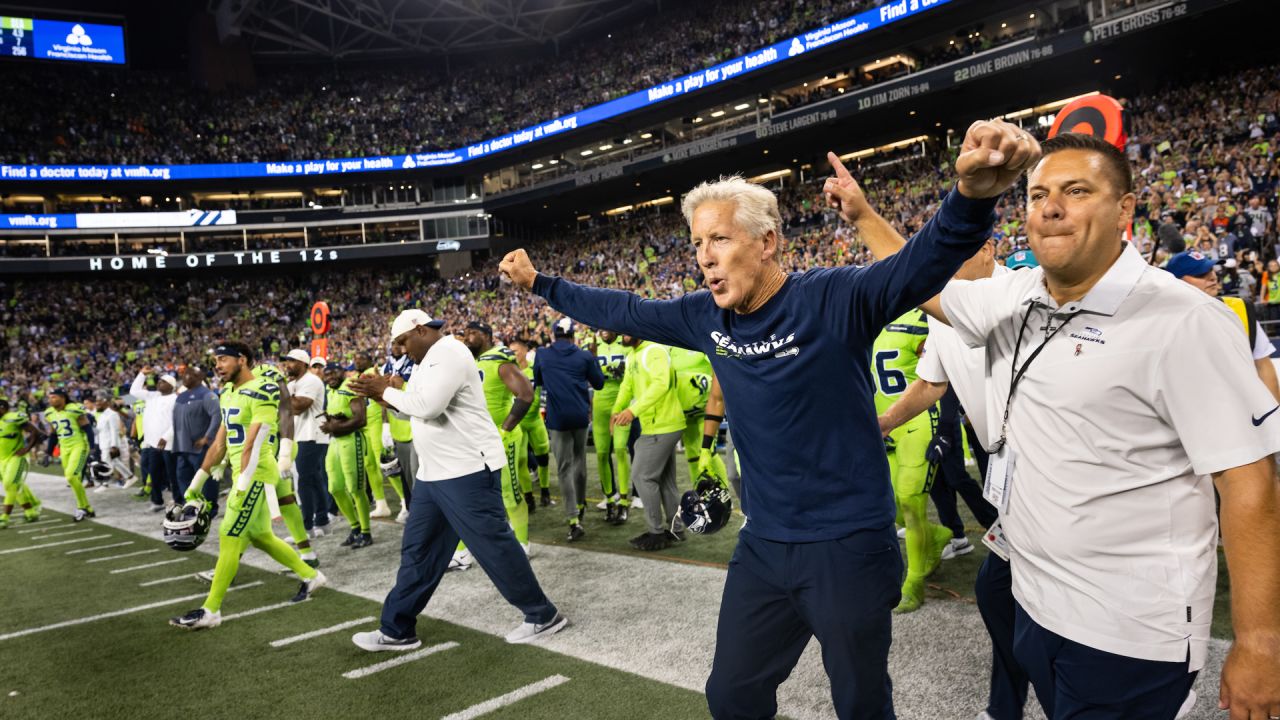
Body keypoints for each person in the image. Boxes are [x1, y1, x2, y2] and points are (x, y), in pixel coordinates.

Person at [500, 119, 1038, 719]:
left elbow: (919, 263)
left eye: (720, 239)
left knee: (860, 702)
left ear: (768, 242)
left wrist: (973, 197)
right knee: (732, 695)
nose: (705, 257)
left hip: (847, 543)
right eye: (698, 243)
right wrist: (541, 284)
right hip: (763, 544)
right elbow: (625, 307)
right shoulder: (704, 316)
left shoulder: (833, 298)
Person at [930, 133, 1280, 719]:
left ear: (1125, 209)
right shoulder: (1019, 293)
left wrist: (1261, 644)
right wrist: (926, 204)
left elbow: (1249, 486)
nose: (1051, 207)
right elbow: (922, 286)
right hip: (1036, 603)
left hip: (1129, 634)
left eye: (1076, 190)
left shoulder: (1184, 319)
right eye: (1038, 193)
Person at [348, 310, 567, 652]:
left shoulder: (449, 352)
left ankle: (542, 614)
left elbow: (430, 406)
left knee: (493, 545)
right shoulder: (428, 360)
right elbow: (414, 410)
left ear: (420, 330)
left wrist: (387, 392)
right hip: (436, 473)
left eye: (403, 341)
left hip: (466, 469)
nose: (403, 350)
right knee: (418, 551)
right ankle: (397, 628)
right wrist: (383, 395)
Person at [170, 341, 326, 630]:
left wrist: (242, 483)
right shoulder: (228, 391)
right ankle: (311, 575)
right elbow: (219, 442)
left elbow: (253, 444)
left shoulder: (263, 389)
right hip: (243, 471)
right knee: (260, 535)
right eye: (215, 360)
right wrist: (197, 482)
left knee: (229, 534)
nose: (217, 365)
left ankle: (211, 610)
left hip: (255, 473)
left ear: (242, 360)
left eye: (223, 359)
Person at [870, 309, 954, 614]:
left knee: (910, 500)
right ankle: (935, 535)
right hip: (881, 422)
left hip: (918, 420)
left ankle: (914, 582)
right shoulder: (874, 311)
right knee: (889, 505)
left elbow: (942, 375)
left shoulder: (927, 316)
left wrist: (946, 426)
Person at [459, 321, 534, 558]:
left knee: (509, 491)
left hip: (501, 438)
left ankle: (523, 543)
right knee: (469, 494)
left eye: (473, 333)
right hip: (474, 439)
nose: (467, 337)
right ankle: (465, 548)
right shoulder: (470, 362)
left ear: (487, 336)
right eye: (465, 333)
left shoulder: (497, 358)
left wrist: (504, 429)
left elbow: (526, 394)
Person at [1165, 249, 1280, 401]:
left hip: (1245, 411)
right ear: (1176, 282)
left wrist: (1275, 416)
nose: (1212, 277)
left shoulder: (1240, 309)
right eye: (1200, 274)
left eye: (1211, 270)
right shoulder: (1164, 323)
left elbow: (1263, 365)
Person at [610, 333, 685, 550]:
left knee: (642, 476)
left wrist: (632, 411)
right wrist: (616, 410)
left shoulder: (654, 351)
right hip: (661, 424)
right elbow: (627, 385)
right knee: (665, 481)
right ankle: (675, 529)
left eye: (626, 329)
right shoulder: (634, 354)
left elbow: (661, 384)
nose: (622, 334)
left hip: (662, 425)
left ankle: (656, 532)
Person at [534, 317, 605, 541]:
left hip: (557, 418)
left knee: (564, 468)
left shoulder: (542, 354)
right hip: (579, 415)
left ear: (554, 335)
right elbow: (600, 383)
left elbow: (538, 380)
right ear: (573, 335)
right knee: (579, 463)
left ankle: (573, 518)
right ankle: (581, 504)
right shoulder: (583, 355)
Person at [253, 360, 317, 566]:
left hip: (271, 446)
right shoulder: (236, 383)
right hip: (267, 445)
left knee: (245, 508)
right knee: (286, 501)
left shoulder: (264, 373)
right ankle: (307, 555)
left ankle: (229, 566)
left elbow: (286, 409)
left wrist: (285, 451)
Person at [321, 363, 373, 549]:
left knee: (355, 488)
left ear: (342, 372)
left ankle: (366, 532)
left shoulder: (350, 386)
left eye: (333, 373)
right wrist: (330, 420)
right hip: (335, 442)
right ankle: (355, 527)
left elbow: (360, 419)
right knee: (335, 487)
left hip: (352, 440)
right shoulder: (329, 390)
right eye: (326, 374)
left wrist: (335, 426)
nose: (330, 377)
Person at [282, 349, 332, 534]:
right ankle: (322, 520)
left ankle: (306, 526)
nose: (288, 365)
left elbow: (298, 406)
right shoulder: (293, 383)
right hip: (301, 434)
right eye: (286, 361)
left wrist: (282, 391)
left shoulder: (311, 380)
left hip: (313, 434)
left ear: (304, 364)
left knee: (304, 479)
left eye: (292, 361)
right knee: (313, 478)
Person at [588, 329, 632, 521]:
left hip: (621, 401)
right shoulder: (591, 345)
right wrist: (591, 359)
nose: (603, 330)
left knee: (621, 449)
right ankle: (609, 499)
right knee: (601, 453)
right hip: (599, 404)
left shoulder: (625, 344)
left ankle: (623, 501)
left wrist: (624, 371)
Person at [507, 338, 552, 513]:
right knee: (521, 460)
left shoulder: (535, 367)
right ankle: (528, 496)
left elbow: (544, 389)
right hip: (518, 422)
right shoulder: (507, 370)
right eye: (510, 352)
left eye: (516, 351)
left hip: (534, 420)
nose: (513, 355)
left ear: (525, 350)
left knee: (543, 458)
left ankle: (545, 490)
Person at [171, 365, 222, 514]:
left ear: (199, 378)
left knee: (206, 479)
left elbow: (217, 415)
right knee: (183, 478)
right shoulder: (181, 396)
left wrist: (207, 437)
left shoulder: (207, 394)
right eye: (184, 375)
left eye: (190, 375)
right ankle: (192, 506)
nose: (185, 377)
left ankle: (210, 509)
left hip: (201, 447)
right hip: (182, 446)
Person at [356, 352, 399, 519]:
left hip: (376, 424)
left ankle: (404, 501)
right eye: (356, 359)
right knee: (370, 466)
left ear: (369, 359)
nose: (357, 360)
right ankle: (381, 503)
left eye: (361, 358)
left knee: (387, 465)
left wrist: (386, 423)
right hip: (365, 426)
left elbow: (383, 396)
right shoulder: (359, 375)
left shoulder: (374, 372)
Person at [44, 389, 95, 521]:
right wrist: (48, 453)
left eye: (54, 397)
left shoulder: (74, 409)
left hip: (79, 446)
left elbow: (88, 429)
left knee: (71, 476)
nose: (51, 400)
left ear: (63, 398)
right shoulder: (49, 413)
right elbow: (53, 434)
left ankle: (81, 508)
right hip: (64, 448)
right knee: (73, 480)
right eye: (50, 398)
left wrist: (92, 447)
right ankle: (87, 507)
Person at [130, 369, 177, 510]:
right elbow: (133, 391)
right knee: (154, 473)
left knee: (172, 474)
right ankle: (157, 501)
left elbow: (177, 421)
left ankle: (178, 500)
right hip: (151, 443)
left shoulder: (175, 399)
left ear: (171, 385)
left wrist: (166, 436)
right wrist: (142, 374)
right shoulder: (152, 396)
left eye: (163, 382)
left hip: (168, 443)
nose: (159, 383)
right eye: (159, 381)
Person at [381, 337, 417, 521]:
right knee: (404, 473)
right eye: (393, 344)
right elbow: (383, 397)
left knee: (417, 473)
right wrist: (385, 424)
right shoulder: (387, 366)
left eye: (399, 344)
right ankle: (409, 507)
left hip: (413, 424)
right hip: (397, 425)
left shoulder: (413, 362)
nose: (396, 347)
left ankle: (421, 512)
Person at [0, 398, 45, 528]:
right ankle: (31, 510)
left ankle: (4, 517)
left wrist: (27, 448)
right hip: (1, 460)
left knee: (10, 484)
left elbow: (35, 432)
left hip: (16, 457)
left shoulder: (13, 417)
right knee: (16, 486)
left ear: (3, 408)